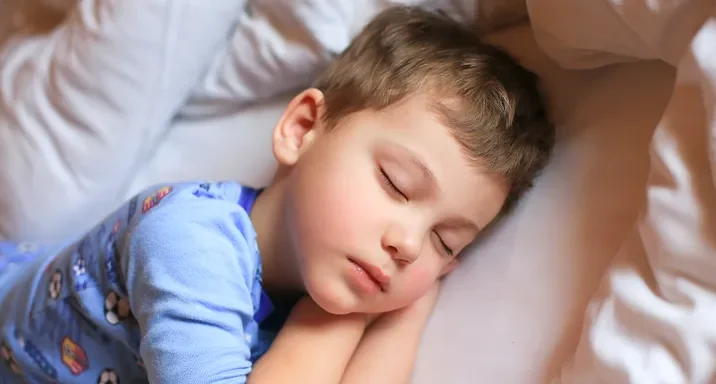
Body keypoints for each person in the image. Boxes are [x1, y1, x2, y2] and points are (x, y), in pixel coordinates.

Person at [0, 6, 554, 384]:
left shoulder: (336, 278)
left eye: (447, 241)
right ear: (301, 127)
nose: (408, 243)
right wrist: (338, 317)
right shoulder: (188, 241)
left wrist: (405, 306)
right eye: (396, 184)